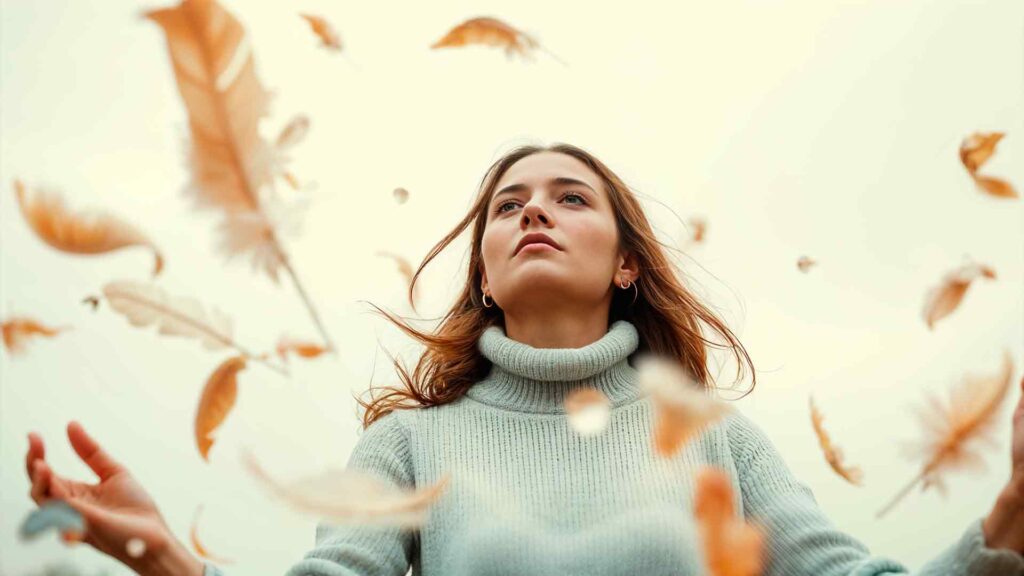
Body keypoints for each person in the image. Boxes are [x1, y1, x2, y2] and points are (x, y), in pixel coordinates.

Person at [25, 144, 1024, 576]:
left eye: (568, 196)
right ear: (486, 276)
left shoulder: (718, 442)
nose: (533, 210)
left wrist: (1009, 518)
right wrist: (167, 558)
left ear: (628, 264)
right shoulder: (410, 447)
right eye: (508, 205)